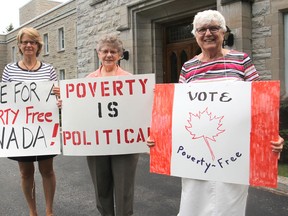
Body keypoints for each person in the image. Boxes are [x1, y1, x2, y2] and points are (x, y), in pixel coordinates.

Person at [147, 10, 284, 216]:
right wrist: (159, 136)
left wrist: (273, 135)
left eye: (214, 28)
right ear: (195, 34)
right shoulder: (188, 67)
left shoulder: (241, 60)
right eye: (202, 29)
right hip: (195, 152)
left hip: (233, 152)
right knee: (193, 202)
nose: (208, 33)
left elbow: (261, 104)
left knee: (229, 205)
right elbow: (179, 110)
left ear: (223, 32)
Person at [2, 27, 59, 216]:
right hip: (19, 129)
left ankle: (49, 211)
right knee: (26, 173)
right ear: (19, 45)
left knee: (47, 170)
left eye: (32, 42)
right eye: (25, 42)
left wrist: (59, 96)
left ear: (38, 46)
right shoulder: (9, 69)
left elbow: (55, 98)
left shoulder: (49, 69)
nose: (29, 45)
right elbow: (5, 99)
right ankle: (32, 211)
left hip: (44, 127)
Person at [86, 34, 139, 216]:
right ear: (98, 53)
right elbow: (81, 110)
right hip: (96, 142)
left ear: (120, 55)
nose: (109, 55)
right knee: (101, 188)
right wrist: (66, 104)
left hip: (125, 143)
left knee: (124, 189)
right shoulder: (88, 80)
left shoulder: (131, 79)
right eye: (105, 51)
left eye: (113, 51)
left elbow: (139, 108)